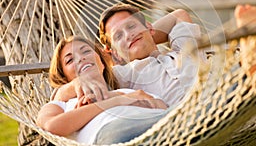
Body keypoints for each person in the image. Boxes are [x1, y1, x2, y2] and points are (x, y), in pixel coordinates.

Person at [53, 4, 203, 107]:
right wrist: (77, 83)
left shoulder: (184, 49)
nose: (128, 35)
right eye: (118, 36)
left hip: (219, 101)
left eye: (131, 26)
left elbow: (179, 16)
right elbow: (57, 98)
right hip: (187, 119)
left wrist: (143, 34)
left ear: (150, 27)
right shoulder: (123, 75)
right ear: (113, 52)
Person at [37, 36, 168, 144]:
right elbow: (51, 126)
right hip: (114, 132)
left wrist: (118, 97)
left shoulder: (128, 91)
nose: (81, 58)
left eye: (86, 51)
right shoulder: (61, 104)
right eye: (70, 60)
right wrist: (118, 101)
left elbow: (164, 109)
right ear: (64, 76)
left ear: (101, 62)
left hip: (159, 125)